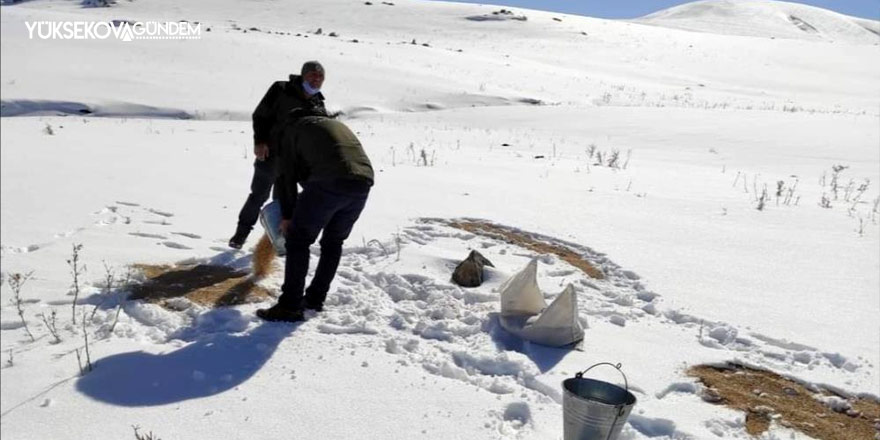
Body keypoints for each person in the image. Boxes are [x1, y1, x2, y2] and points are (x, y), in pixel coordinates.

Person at [257, 112, 374, 322]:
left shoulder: (290, 132)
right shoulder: (329, 125)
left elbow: (286, 179)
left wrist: (287, 216)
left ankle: (290, 306)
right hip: (361, 184)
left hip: (328, 182)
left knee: (298, 241)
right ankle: (314, 299)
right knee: (333, 241)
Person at [228, 61, 327, 249]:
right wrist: (259, 141)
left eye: (320, 77)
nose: (316, 80)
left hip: (295, 162)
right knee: (258, 195)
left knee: (284, 201)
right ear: (303, 75)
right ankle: (240, 235)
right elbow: (260, 115)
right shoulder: (281, 89)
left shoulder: (318, 102)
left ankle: (276, 242)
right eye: (313, 75)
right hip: (271, 154)